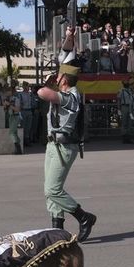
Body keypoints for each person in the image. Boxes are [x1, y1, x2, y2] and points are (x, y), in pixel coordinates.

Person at [38, 67, 96, 241]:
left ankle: (84, 217)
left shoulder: (71, 98)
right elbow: (65, 54)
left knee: (52, 189)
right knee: (50, 189)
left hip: (63, 148)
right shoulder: (65, 93)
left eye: (59, 76)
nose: (56, 78)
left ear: (64, 80)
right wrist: (69, 39)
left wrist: (47, 82)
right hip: (52, 145)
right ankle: (57, 230)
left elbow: (42, 92)